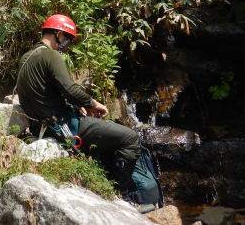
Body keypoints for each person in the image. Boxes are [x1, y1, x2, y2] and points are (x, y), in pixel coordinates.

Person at [16, 14, 153, 212]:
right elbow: (69, 88)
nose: (68, 44)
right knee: (130, 137)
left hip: (43, 124)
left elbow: (48, 92)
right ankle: (123, 201)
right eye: (69, 39)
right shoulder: (50, 55)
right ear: (58, 34)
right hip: (62, 125)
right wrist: (93, 103)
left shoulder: (27, 57)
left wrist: (78, 105)